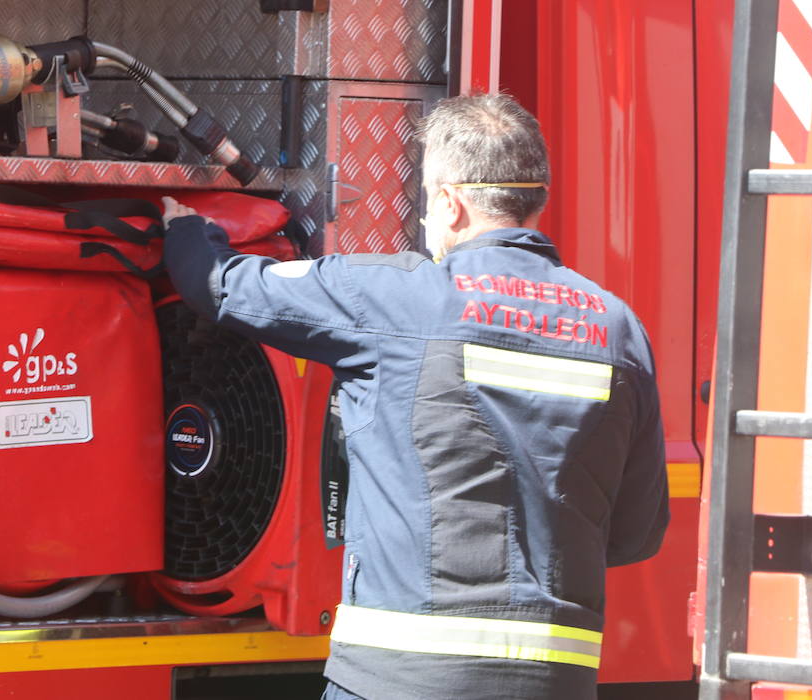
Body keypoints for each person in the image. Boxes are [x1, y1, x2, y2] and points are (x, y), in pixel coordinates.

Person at [160, 93, 669, 700]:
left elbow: (222, 286)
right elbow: (637, 533)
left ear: (451, 203)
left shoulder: (396, 299)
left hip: (400, 680)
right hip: (556, 683)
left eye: (427, 200)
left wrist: (184, 228)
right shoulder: (617, 329)